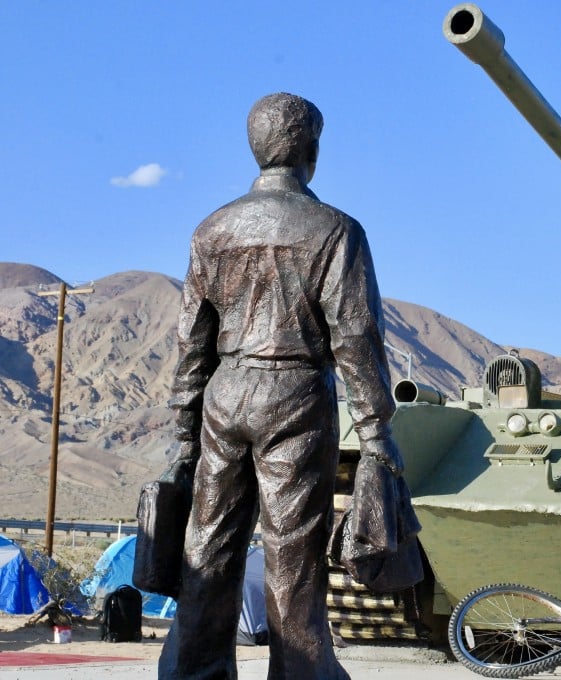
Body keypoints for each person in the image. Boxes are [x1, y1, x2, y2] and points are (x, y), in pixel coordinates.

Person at [159, 92, 404, 680]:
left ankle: (191, 673)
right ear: (311, 150)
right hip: (294, 396)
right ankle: (301, 674)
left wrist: (185, 437)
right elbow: (356, 339)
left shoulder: (211, 230)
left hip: (224, 393)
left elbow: (192, 343)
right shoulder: (335, 231)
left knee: (208, 550)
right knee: (292, 557)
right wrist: (377, 435)